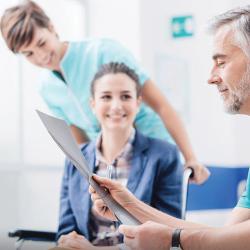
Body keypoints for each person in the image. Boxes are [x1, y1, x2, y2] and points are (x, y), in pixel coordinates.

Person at [79, 5, 250, 250]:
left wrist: (176, 239)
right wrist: (129, 205)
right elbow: (230, 238)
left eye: (221, 62)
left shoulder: (163, 154)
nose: (211, 77)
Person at [0, 0, 210, 184]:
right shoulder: (47, 88)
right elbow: (79, 138)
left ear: (51, 27)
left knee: (159, 223)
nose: (41, 56)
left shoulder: (103, 52)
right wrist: (90, 176)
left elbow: (161, 106)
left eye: (42, 43)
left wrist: (190, 157)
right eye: (29, 54)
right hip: (111, 163)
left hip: (153, 146)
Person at [57, 62, 183, 249]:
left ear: (137, 103)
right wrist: (67, 242)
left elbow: (167, 234)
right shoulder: (74, 159)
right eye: (106, 97)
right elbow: (65, 230)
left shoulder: (164, 155)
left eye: (125, 96)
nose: (116, 106)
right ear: (93, 104)